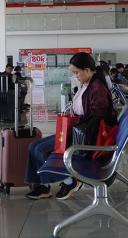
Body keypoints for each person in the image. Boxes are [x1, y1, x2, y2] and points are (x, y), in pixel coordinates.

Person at [24, 52, 117, 200]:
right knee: (33, 145)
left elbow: (96, 122)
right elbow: (87, 113)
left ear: (87, 70)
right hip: (80, 131)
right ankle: (42, 184)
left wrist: (74, 124)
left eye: (77, 72)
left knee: (40, 149)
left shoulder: (97, 90)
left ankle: (69, 181)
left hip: (86, 138)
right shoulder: (88, 84)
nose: (75, 76)